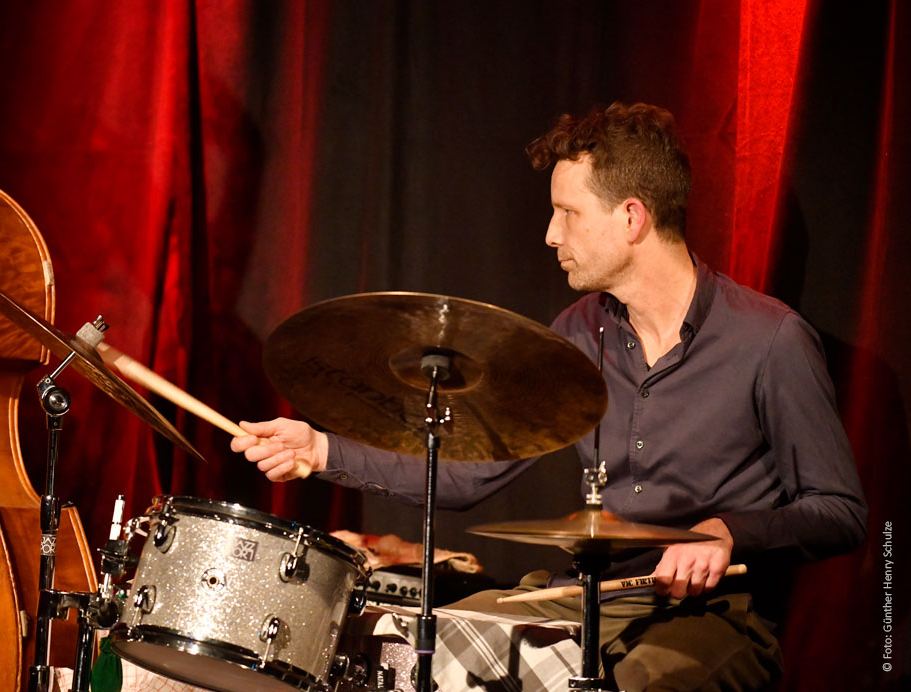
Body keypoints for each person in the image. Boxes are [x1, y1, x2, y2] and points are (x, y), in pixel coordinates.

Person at [231, 102, 867, 691]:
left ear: (632, 217)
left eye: (568, 213)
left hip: (712, 614)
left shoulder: (769, 340)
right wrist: (320, 450)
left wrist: (728, 532)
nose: (550, 235)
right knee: (415, 654)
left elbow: (840, 511)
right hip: (584, 596)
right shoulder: (577, 333)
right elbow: (471, 472)